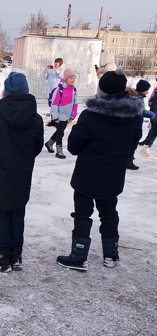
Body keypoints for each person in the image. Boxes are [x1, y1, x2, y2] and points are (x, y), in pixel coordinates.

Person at [56, 69, 142, 271]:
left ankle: (79, 255)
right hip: (113, 177)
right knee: (109, 213)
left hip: (87, 176)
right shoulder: (132, 117)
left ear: (101, 91)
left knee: (83, 214)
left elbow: (74, 147)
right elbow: (132, 144)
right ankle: (111, 255)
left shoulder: (90, 116)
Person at [0, 72, 43, 272]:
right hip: (21, 174)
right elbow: (37, 146)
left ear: (6, 92)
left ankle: (2, 256)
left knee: (2, 213)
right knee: (17, 213)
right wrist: (23, 159)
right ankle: (16, 255)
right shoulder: (36, 119)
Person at [44, 68, 78, 159]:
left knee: (60, 131)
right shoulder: (60, 89)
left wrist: (72, 116)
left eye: (74, 78)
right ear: (66, 78)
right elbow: (54, 104)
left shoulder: (74, 90)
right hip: (58, 116)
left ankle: (49, 143)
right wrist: (55, 117)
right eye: (71, 78)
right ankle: (59, 151)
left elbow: (75, 104)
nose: (73, 80)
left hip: (66, 116)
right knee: (60, 133)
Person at [126, 79, 155, 169]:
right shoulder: (137, 99)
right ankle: (128, 160)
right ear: (143, 89)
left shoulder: (138, 97)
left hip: (135, 124)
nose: (148, 91)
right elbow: (141, 111)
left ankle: (129, 159)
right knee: (132, 144)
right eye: (147, 89)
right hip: (135, 125)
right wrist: (153, 115)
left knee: (132, 143)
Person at [138, 83, 157, 159]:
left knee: (154, 129)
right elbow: (153, 103)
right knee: (155, 129)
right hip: (155, 112)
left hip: (154, 111)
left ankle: (147, 146)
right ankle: (146, 147)